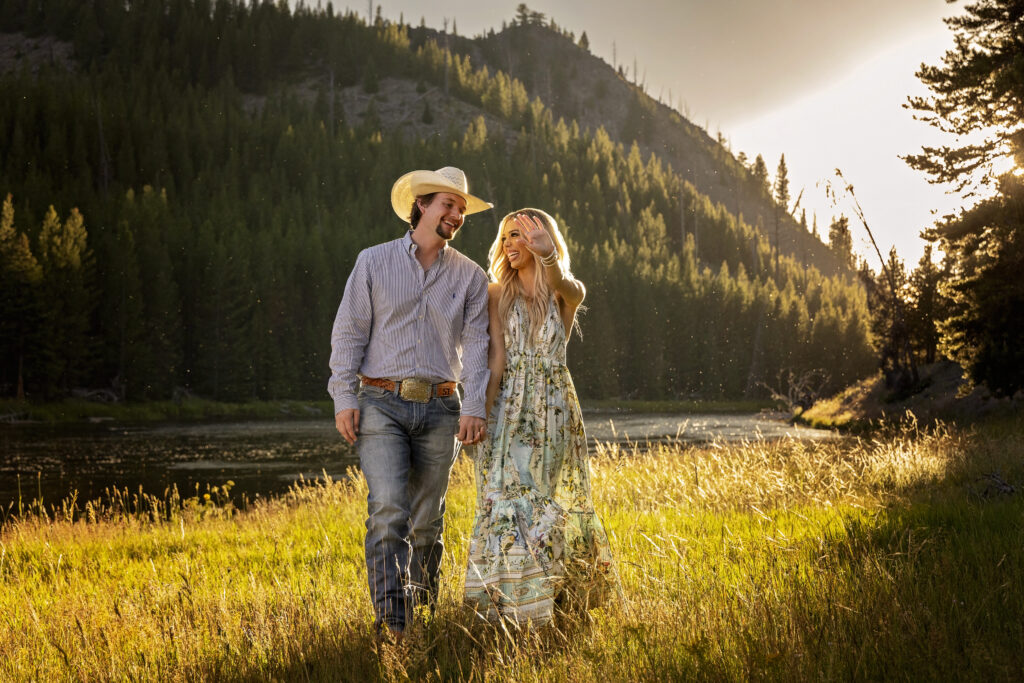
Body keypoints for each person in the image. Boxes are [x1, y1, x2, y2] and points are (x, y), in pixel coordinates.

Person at [328, 166, 493, 640]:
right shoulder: (374, 262)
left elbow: (478, 346)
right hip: (381, 403)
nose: (457, 215)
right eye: (449, 204)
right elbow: (349, 332)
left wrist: (474, 407)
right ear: (422, 204)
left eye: (462, 209)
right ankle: (393, 626)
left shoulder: (470, 276)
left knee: (427, 521)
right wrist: (344, 397)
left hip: (443, 408)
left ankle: (425, 615)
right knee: (387, 512)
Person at [464, 208, 614, 625]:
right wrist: (479, 414)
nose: (511, 244)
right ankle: (505, 611)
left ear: (543, 239)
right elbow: (496, 359)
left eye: (521, 236)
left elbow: (568, 285)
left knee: (544, 504)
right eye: (506, 236)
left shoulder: (566, 293)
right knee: (504, 500)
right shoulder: (496, 294)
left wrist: (548, 258)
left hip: (553, 411)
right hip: (508, 409)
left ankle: (553, 603)